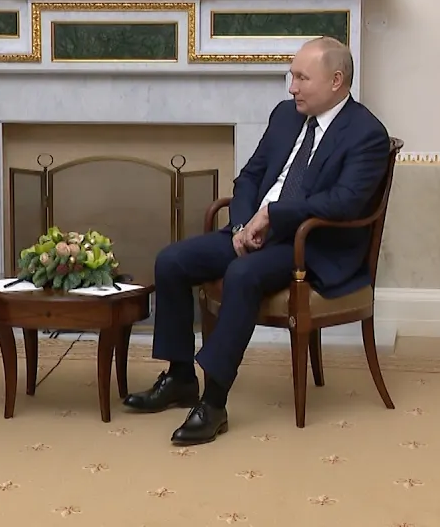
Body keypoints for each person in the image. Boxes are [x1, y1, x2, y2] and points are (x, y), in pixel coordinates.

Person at [123, 37, 391, 445]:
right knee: (172, 260)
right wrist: (241, 227)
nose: (292, 87)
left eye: (302, 78)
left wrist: (273, 215)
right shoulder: (285, 116)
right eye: (291, 76)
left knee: (242, 274)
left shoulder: (366, 133)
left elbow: (344, 202)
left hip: (312, 245)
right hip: (254, 231)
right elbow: (249, 177)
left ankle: (213, 402)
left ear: (336, 80)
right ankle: (180, 377)